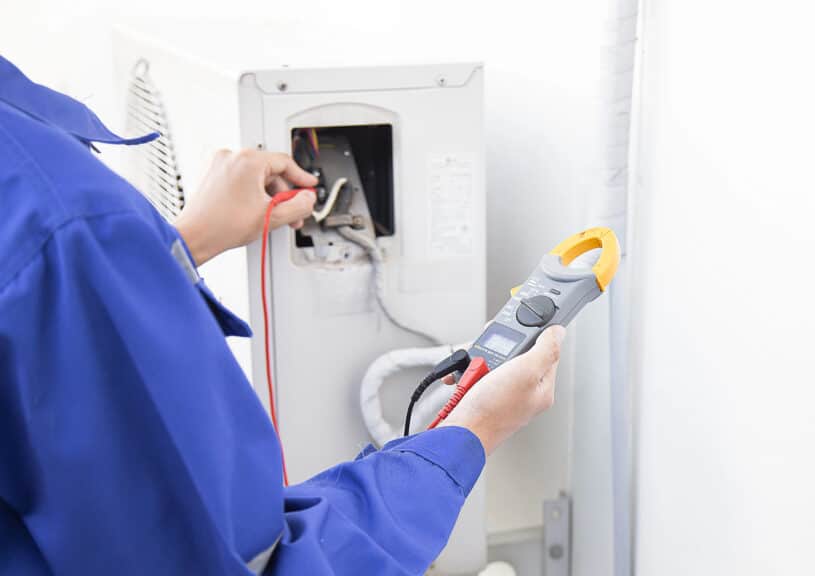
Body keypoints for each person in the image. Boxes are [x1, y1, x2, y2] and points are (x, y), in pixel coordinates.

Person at [0, 55, 564, 575]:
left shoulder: (53, 224)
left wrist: (171, 247)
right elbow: (247, 564)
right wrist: (471, 433)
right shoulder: (63, 218)